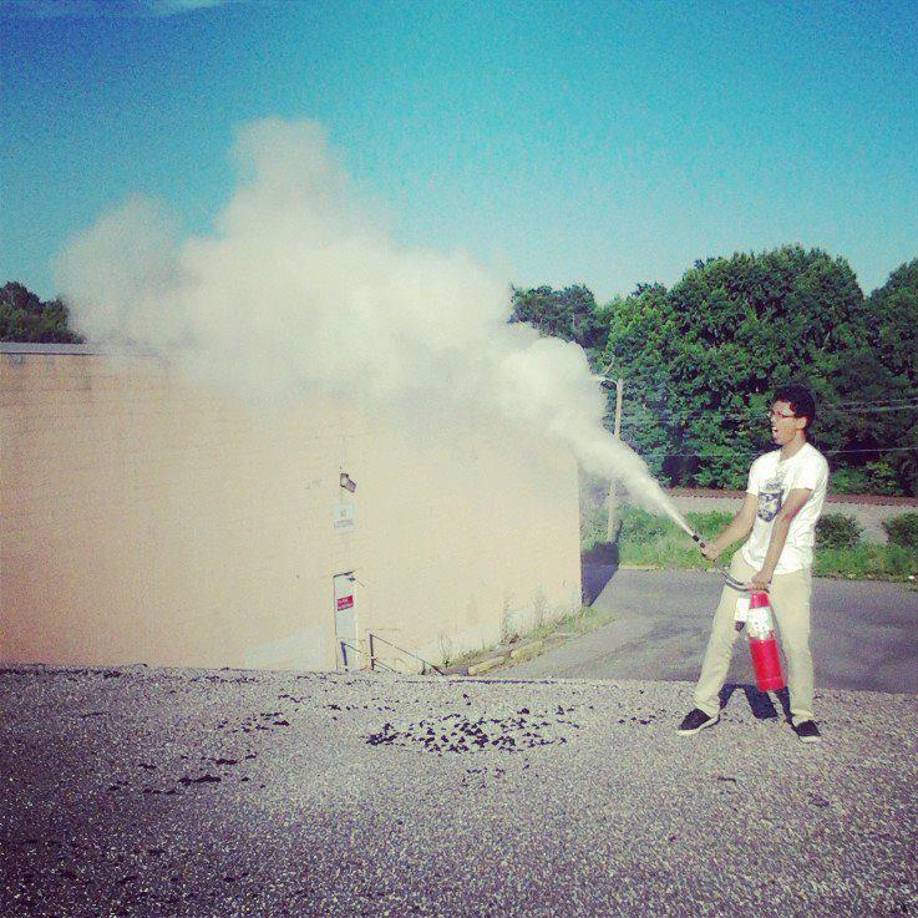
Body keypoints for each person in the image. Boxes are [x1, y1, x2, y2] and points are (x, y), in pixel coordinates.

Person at [678, 383, 829, 743]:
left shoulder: (812, 464)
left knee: (795, 645)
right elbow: (747, 519)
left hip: (787, 568)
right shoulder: (762, 465)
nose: (773, 421)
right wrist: (717, 546)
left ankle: (803, 715)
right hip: (748, 562)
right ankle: (705, 706)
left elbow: (785, 517)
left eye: (782, 415)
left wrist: (767, 572)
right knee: (721, 635)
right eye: (772, 413)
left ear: (801, 421)